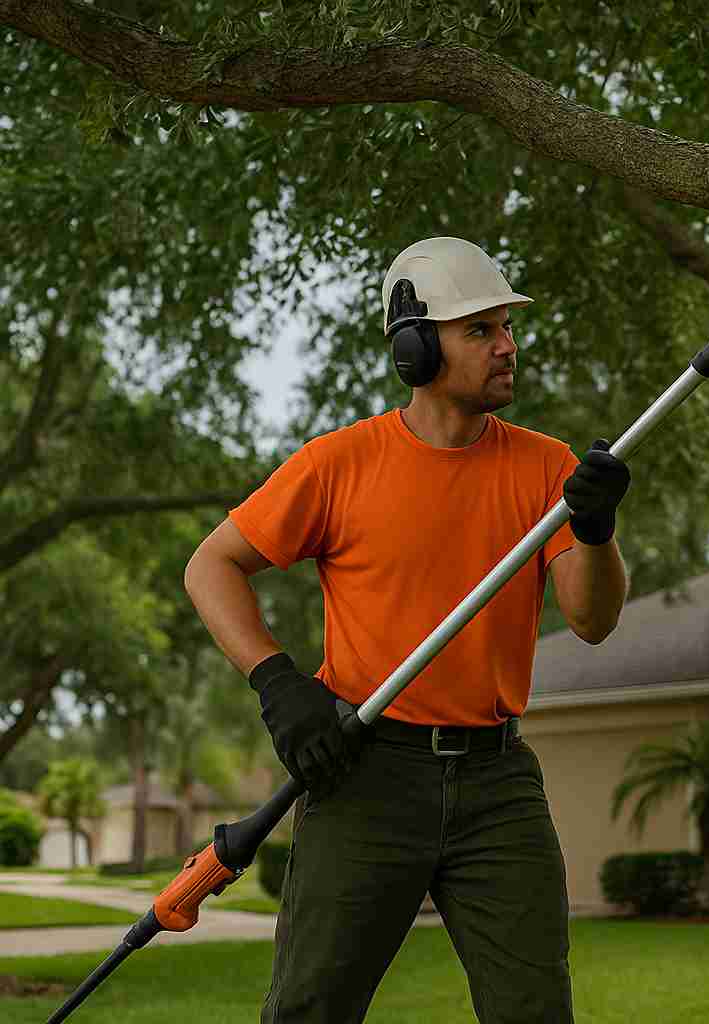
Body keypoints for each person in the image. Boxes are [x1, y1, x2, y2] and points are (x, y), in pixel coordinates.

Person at [182, 236, 630, 1023]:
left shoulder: (546, 468)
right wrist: (279, 687)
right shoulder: (339, 464)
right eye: (481, 330)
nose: (508, 346)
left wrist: (595, 530)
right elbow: (210, 567)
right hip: (364, 777)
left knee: (535, 1012)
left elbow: (592, 621)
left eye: (506, 328)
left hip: (499, 787)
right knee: (309, 1011)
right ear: (416, 346)